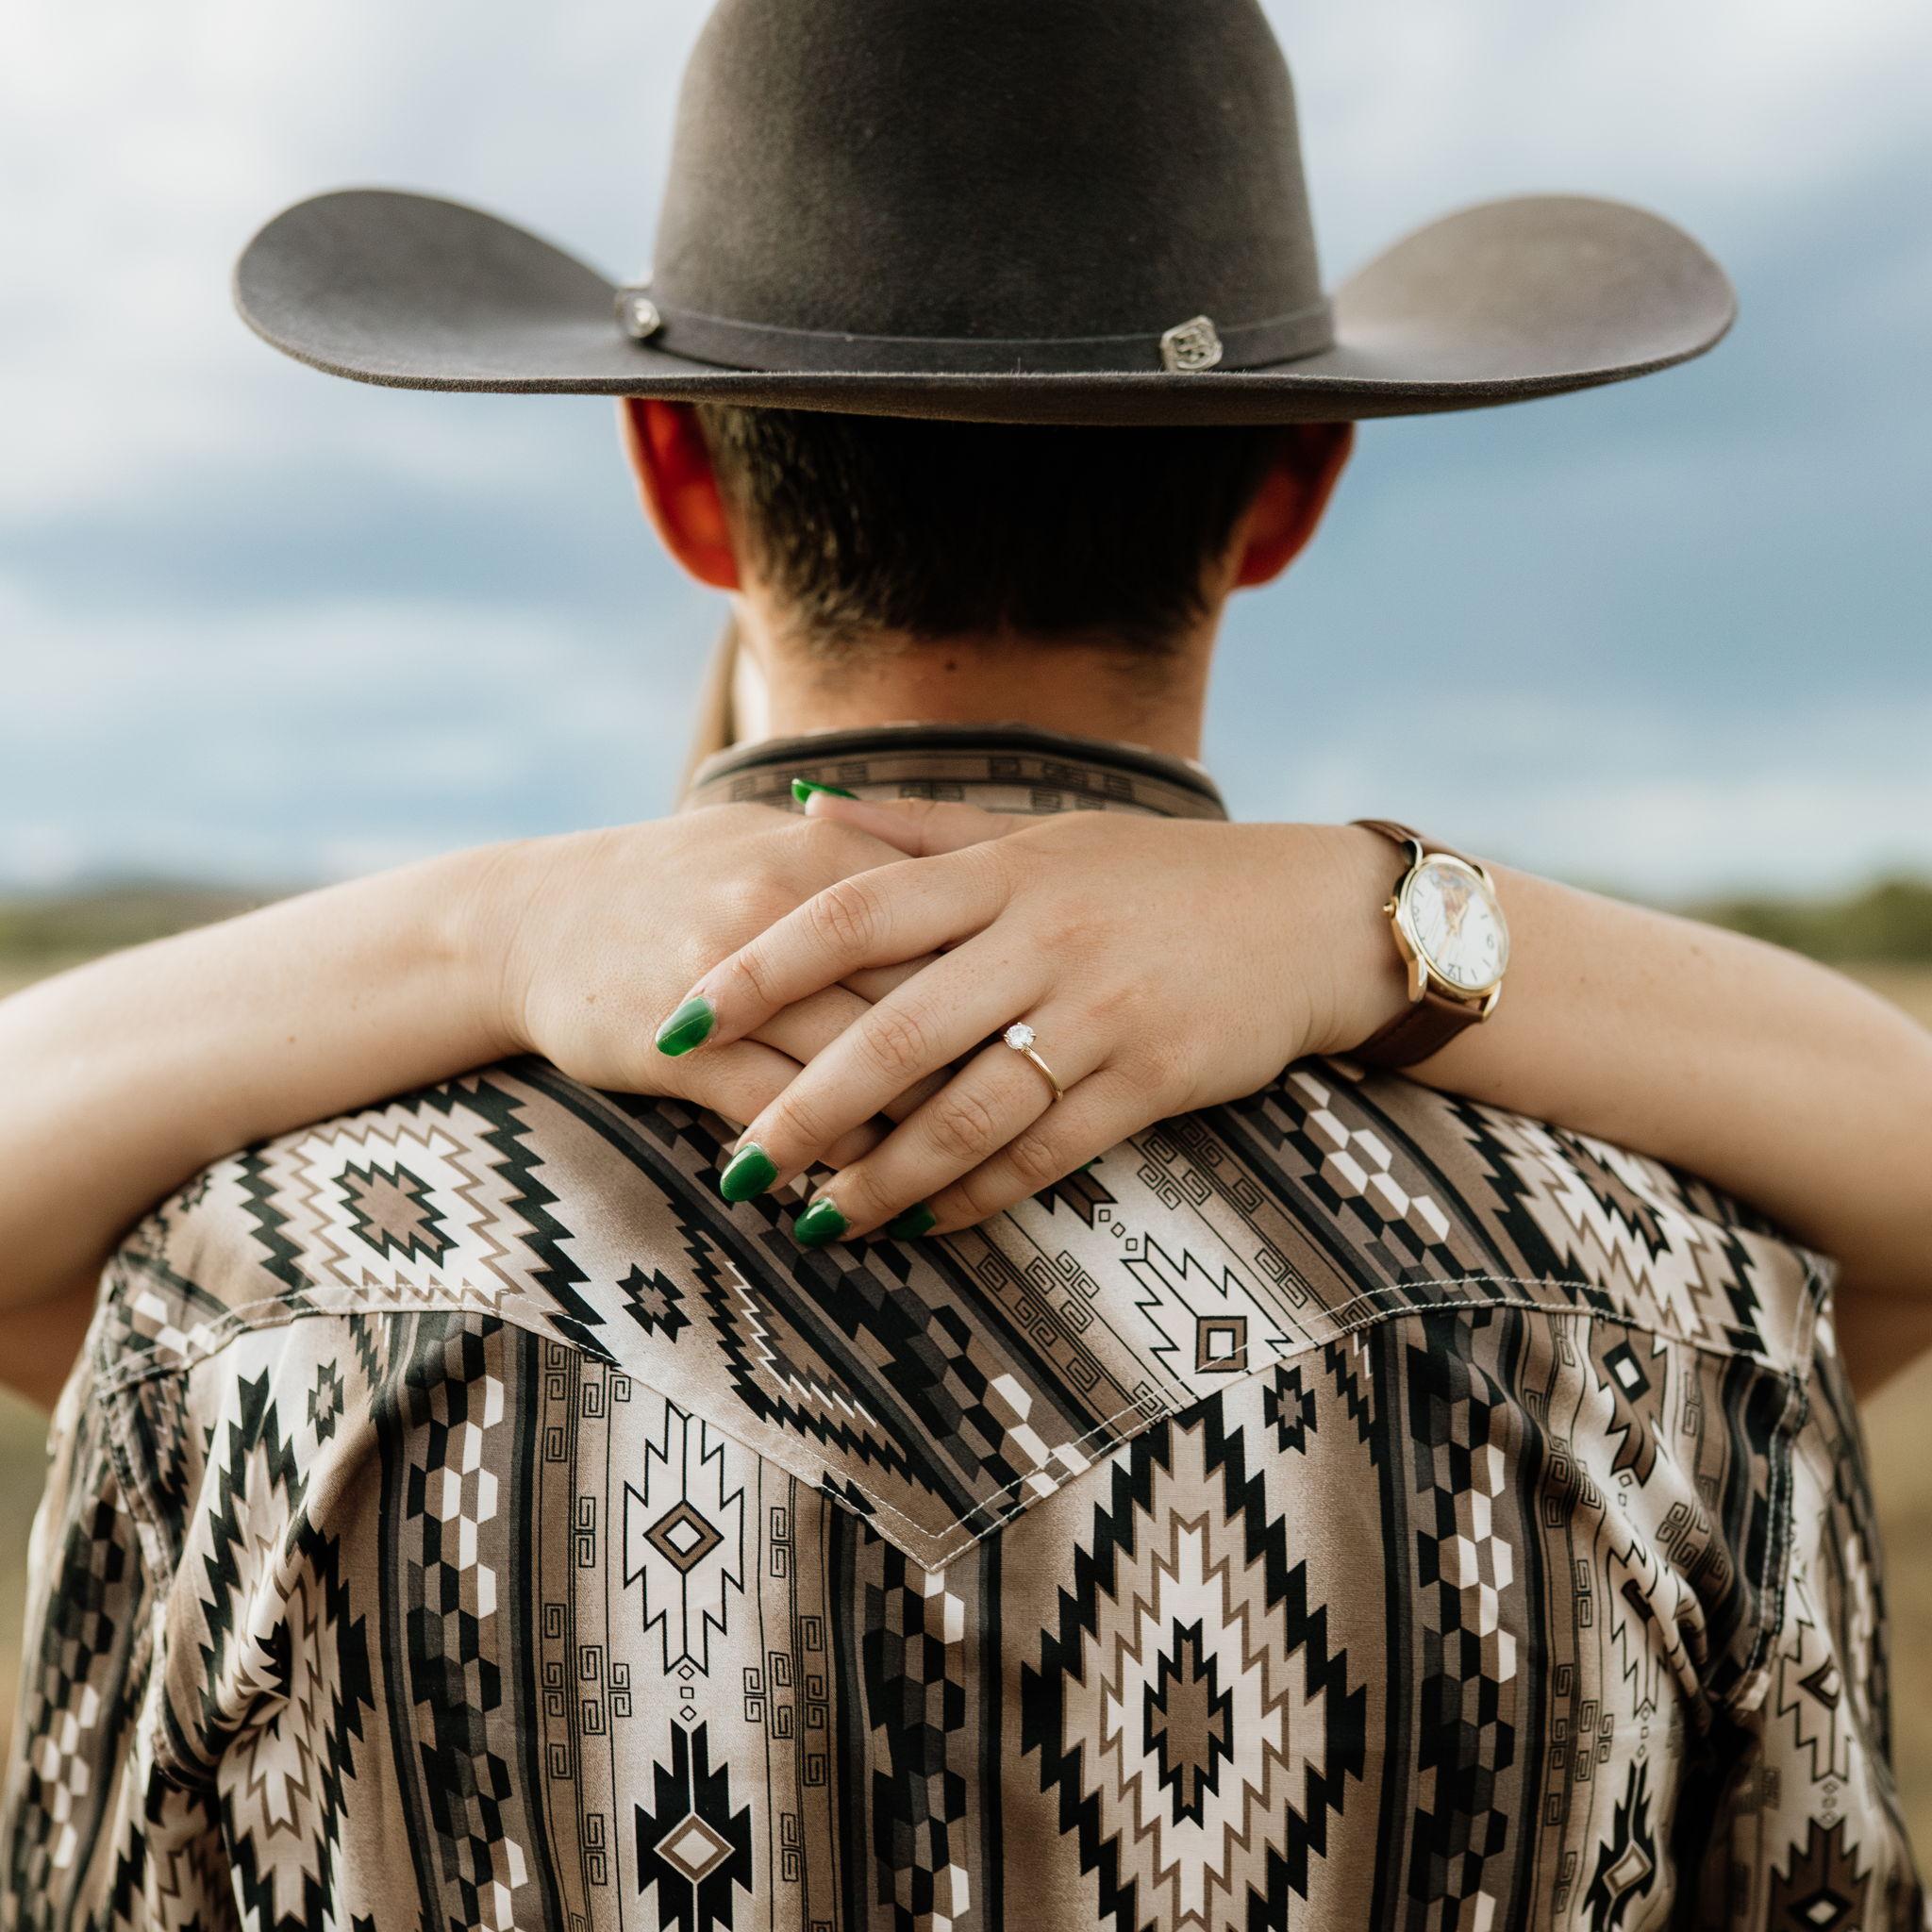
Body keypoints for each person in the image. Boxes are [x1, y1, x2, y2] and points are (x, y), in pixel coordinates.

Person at [2, 1, 1925, 1926]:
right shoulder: (1669, 1302)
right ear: (1296, 485)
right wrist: (1378, 912)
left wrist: (480, 926)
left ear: (674, 472)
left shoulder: (266, 1294)